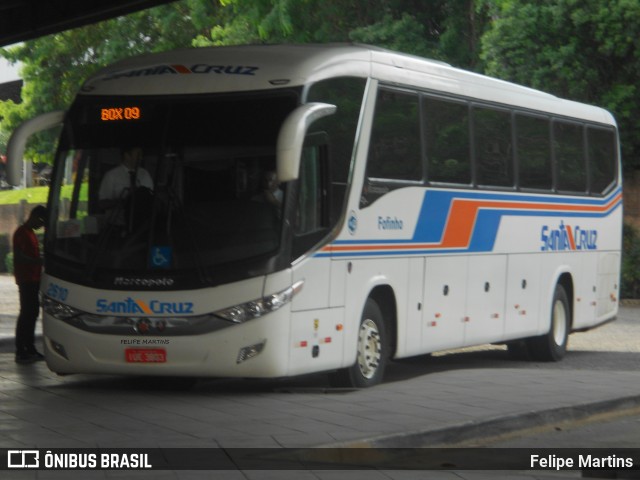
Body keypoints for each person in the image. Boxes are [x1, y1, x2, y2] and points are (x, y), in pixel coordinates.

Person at [13, 205, 47, 364]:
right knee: (27, 314)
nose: (41, 226)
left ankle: (30, 347)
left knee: (32, 313)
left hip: (33, 279)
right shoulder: (22, 233)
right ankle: (21, 349)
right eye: (41, 222)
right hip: (26, 279)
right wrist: (38, 261)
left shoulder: (31, 233)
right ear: (34, 217)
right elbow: (20, 258)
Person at [98, 147, 153, 227]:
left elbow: (151, 198)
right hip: (117, 226)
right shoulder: (111, 175)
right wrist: (126, 200)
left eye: (141, 155)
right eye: (138, 155)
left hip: (142, 226)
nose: (141, 158)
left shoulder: (145, 174)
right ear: (127, 155)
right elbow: (102, 204)